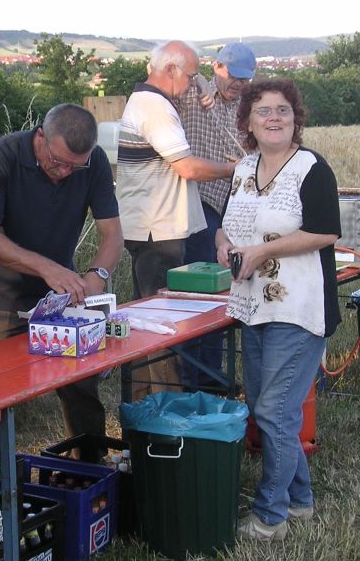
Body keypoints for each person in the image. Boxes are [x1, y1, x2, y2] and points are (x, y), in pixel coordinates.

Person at [0, 103, 123, 472]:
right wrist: (45, 266)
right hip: (1, 298)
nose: (66, 172)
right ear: (40, 137)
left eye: (74, 166)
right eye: (58, 161)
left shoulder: (92, 161)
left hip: (61, 297)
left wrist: (97, 274)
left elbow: (112, 234)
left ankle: (90, 473)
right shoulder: (4, 156)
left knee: (82, 387)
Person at [215, 79, 341, 540]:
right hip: (253, 306)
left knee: (273, 411)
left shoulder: (310, 167)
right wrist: (225, 245)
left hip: (299, 308)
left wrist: (263, 253)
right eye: (263, 111)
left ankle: (272, 515)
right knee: (271, 410)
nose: (274, 118)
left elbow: (326, 231)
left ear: (296, 119)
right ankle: (301, 500)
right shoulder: (243, 168)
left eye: (282, 110)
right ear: (247, 122)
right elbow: (226, 226)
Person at [116, 40, 234, 393]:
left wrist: (198, 88)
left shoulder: (152, 100)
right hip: (158, 231)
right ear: (170, 70)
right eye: (191, 77)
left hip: (158, 227)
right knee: (161, 324)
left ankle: (147, 400)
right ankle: (165, 408)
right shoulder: (155, 109)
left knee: (153, 318)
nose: (192, 85)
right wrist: (236, 169)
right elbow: (186, 166)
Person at [177, 42, 257, 391]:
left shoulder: (244, 105)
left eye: (245, 80)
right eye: (234, 77)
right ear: (216, 67)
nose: (239, 85)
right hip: (201, 202)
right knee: (206, 290)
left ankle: (214, 376)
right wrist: (203, 87)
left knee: (226, 290)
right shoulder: (196, 93)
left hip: (233, 204)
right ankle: (199, 381)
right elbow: (182, 69)